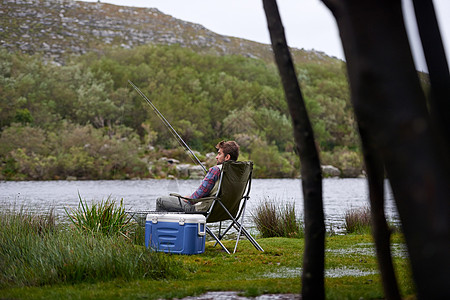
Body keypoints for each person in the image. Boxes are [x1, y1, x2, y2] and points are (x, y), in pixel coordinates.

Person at [155, 140, 240, 212]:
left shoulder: (216, 170)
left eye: (219, 154)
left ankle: (158, 231)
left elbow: (200, 194)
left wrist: (189, 199)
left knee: (160, 201)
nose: (216, 157)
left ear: (227, 157)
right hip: (227, 211)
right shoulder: (238, 172)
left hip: (204, 209)